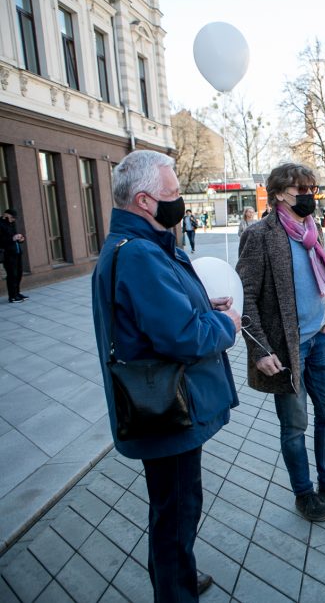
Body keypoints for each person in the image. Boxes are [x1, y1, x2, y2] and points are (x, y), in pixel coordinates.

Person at [91, 150, 241, 600]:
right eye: (173, 194)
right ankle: (175, 588)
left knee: (173, 508)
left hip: (166, 407)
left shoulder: (141, 246)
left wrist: (201, 306)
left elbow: (159, 315)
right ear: (143, 201)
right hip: (167, 412)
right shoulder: (139, 254)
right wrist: (226, 325)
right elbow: (181, 336)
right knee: (176, 512)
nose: (180, 202)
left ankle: (176, 572)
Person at [237, 162, 325, 522]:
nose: (309, 196)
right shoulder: (260, 235)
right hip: (285, 348)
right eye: (301, 190)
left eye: (312, 189)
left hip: (318, 340)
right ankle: (304, 493)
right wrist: (260, 349)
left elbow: (324, 278)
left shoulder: (312, 229)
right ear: (280, 193)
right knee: (295, 425)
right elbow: (245, 295)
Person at [1, 208, 27, 303]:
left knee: (19, 273)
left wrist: (21, 238)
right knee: (12, 275)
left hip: (17, 252)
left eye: (14, 218)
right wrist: (12, 239)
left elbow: (16, 235)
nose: (13, 219)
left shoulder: (11, 224)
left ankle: (17, 293)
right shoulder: (0, 224)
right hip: (8, 254)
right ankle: (12, 296)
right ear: (5, 215)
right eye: (12, 217)